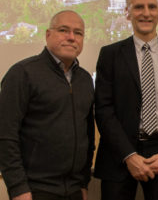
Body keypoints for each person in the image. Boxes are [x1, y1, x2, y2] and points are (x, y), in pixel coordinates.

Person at [93, 0, 158, 200]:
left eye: (151, 7)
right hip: (119, 157)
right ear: (127, 13)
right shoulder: (109, 55)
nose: (145, 13)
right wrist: (129, 155)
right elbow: (103, 109)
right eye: (138, 7)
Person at [0, 10, 95, 200]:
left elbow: (88, 136)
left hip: (75, 190)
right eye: (63, 30)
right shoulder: (22, 73)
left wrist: (83, 183)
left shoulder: (85, 79)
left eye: (78, 33)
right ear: (47, 35)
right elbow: (5, 135)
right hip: (35, 190)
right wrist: (18, 188)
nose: (71, 37)